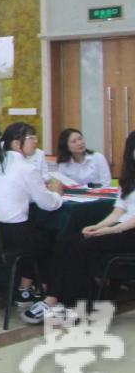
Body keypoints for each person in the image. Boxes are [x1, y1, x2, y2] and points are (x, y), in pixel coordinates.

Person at [24, 130, 135, 324]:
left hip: (129, 232)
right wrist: (97, 226)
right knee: (66, 242)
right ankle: (56, 300)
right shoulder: (128, 179)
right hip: (119, 226)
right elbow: (118, 211)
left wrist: (109, 230)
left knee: (81, 248)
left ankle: (66, 304)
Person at [0, 121, 63, 306]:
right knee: (51, 240)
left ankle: (25, 289)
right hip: (15, 234)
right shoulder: (26, 168)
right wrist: (58, 194)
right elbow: (48, 204)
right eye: (31, 138)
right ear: (17, 144)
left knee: (35, 236)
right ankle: (37, 290)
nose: (35, 141)